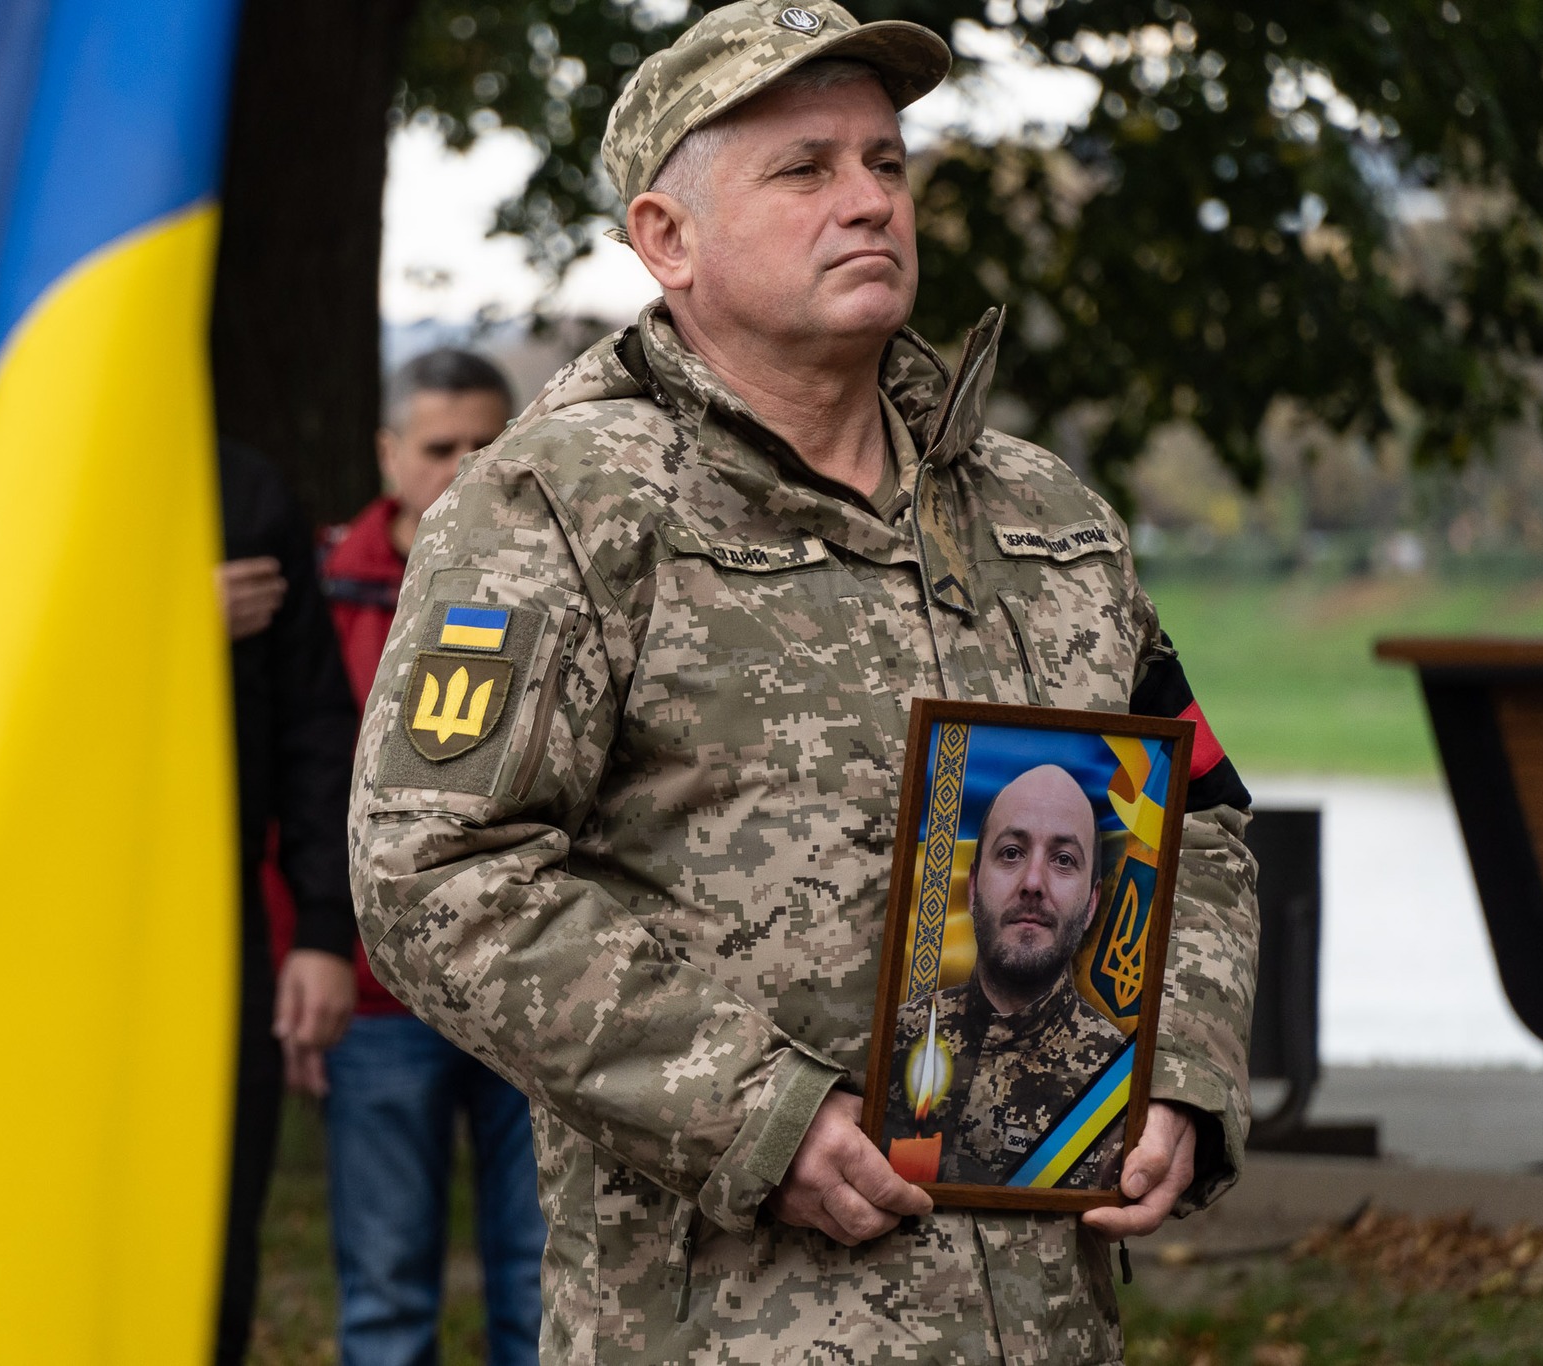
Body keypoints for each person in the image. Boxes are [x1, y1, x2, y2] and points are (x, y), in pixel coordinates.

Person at [347, 4, 1258, 1362]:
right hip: (733, 1319)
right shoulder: (559, 508)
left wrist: (1172, 1073)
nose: (868, 202)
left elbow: (1194, 810)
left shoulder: (1041, 514)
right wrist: (756, 1111)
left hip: (1042, 1320)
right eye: (805, 169)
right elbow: (433, 869)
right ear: (667, 239)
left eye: (886, 164)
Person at [272, 349, 549, 1366]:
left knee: (544, 1286)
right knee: (386, 1291)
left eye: (488, 442)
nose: (466, 464)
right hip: (378, 1003)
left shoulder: (567, 577)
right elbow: (300, 794)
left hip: (532, 995)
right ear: (389, 456)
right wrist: (304, 960)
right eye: (440, 446)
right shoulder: (325, 588)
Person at [213, 438, 360, 1366]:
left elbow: (315, 723)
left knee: (214, 1238)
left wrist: (320, 926)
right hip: (19, 937)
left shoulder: (244, 486)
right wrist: (145, 622)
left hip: (213, 938)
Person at [883, 765, 1129, 1190]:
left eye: (1064, 860)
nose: (1032, 882)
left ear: (1092, 905)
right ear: (973, 886)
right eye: (1011, 853)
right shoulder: (895, 1038)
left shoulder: (1116, 1078)